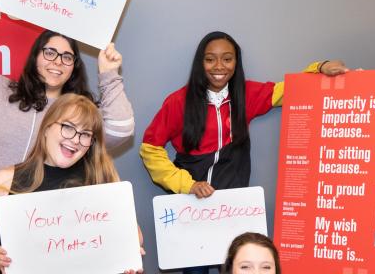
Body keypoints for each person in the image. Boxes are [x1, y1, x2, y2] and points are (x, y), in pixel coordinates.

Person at [0, 0, 135, 273]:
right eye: (49, 52)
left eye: (67, 56)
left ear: (74, 66)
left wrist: (109, 74)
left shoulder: (78, 113)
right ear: (35, 55)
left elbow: (121, 130)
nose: (57, 62)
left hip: (54, 216)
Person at [140, 31, 346, 273]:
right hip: (191, 210)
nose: (219, 66)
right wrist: (187, 184)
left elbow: (290, 89)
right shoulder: (178, 102)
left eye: (227, 59)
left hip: (232, 213)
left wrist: (319, 67)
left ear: (236, 63)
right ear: (200, 62)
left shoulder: (246, 95)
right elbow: (150, 149)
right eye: (210, 59)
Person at [0, 94, 142, 274]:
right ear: (46, 128)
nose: (75, 139)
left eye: (85, 134)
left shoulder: (104, 180)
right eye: (68, 127)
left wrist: (128, 253)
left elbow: (134, 233)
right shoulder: (3, 181)